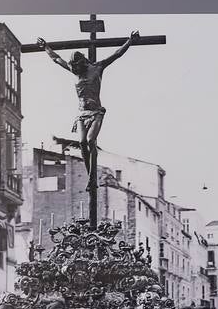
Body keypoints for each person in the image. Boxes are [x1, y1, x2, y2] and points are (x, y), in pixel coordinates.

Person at [36, 30, 140, 198]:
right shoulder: (74, 70)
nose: (76, 71)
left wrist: (130, 41)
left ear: (83, 62)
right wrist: (45, 47)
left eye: (77, 67)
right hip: (81, 114)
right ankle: (91, 177)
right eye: (74, 68)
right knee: (82, 142)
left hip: (96, 112)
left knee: (91, 141)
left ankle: (92, 178)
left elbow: (117, 54)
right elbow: (56, 59)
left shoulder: (97, 68)